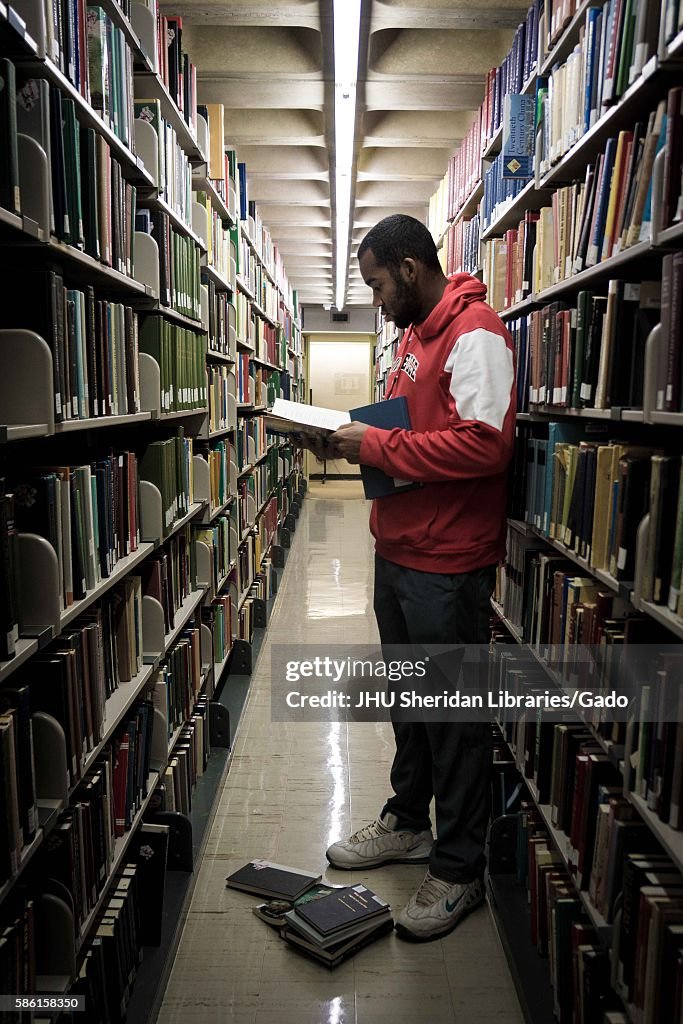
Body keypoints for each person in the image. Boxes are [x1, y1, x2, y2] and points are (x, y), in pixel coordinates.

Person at [322, 213, 517, 942]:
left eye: (376, 283)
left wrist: (377, 442)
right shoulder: (410, 335)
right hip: (398, 548)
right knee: (410, 701)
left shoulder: (475, 333)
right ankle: (407, 822)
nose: (374, 299)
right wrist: (360, 443)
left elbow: (484, 445)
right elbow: (413, 427)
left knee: (452, 718)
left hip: (446, 562)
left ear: (408, 268)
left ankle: (459, 867)